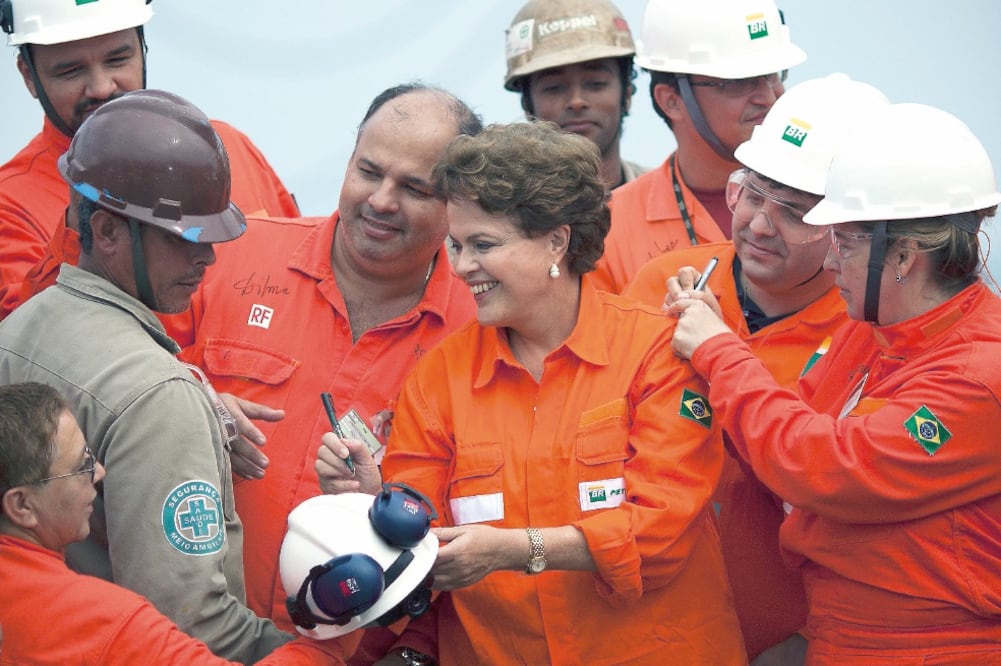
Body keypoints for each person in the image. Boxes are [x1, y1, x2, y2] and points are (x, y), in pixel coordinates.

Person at [318, 121, 745, 664]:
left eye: (484, 244)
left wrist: (518, 550)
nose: (461, 265)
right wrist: (372, 499)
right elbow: (419, 541)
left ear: (557, 240)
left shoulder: (655, 350)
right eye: (455, 244)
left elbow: (660, 529)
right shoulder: (440, 378)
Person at [669, 102, 1001, 663]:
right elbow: (774, 446)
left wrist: (718, 349)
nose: (830, 264)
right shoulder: (872, 330)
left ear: (903, 254)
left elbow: (824, 468)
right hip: (841, 636)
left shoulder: (979, 375)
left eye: (845, 242)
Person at [0, 90, 295, 663]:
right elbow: (192, 624)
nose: (207, 259)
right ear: (106, 231)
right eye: (184, 237)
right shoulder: (159, 396)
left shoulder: (20, 328)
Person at [178, 82, 481, 635]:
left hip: (362, 647)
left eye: (414, 187)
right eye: (369, 171)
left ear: (457, 204)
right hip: (192, 633)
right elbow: (124, 383)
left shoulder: (482, 329)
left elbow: (484, 522)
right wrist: (193, 406)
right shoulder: (231, 255)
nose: (383, 201)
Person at [625, 74, 888, 663]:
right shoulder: (662, 283)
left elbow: (827, 487)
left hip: (790, 637)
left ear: (855, 227)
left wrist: (719, 354)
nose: (760, 225)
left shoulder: (868, 339)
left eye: (795, 212)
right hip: (646, 626)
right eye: (752, 192)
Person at [0, 382, 364, 665]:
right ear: (21, 505)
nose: (99, 472)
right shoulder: (105, 623)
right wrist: (333, 639)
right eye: (80, 464)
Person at [0, 0, 299, 323]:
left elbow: (305, 278)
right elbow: (27, 346)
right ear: (28, 75)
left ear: (143, 48)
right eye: (71, 71)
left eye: (118, 59)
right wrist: (76, 223)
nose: (101, 87)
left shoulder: (230, 149)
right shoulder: (10, 207)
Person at [592, 0, 806, 293]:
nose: (768, 97)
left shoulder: (827, 204)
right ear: (671, 100)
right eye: (740, 81)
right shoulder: (610, 230)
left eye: (773, 74)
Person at [503, 0, 646, 189]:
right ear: (527, 104)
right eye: (553, 87)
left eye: (596, 84)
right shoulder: (500, 214)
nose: (576, 101)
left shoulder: (674, 198)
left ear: (626, 94)